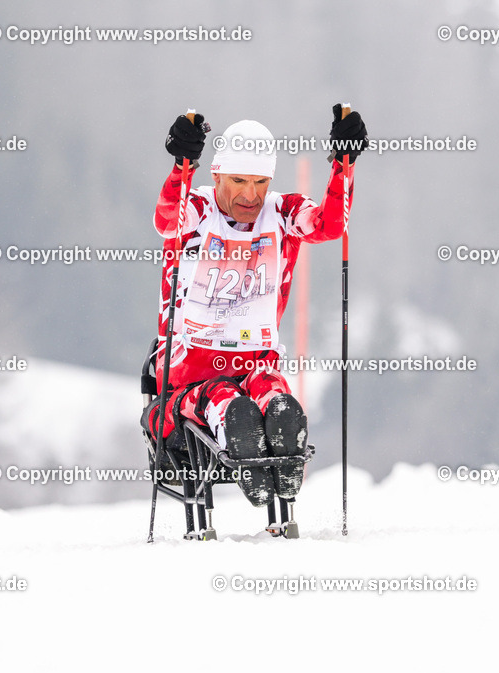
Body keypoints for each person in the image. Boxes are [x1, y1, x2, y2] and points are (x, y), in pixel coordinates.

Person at [148, 105, 368, 506]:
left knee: (270, 392)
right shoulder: (196, 210)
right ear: (216, 174)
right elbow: (167, 222)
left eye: (260, 182)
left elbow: (329, 225)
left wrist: (344, 163)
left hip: (256, 362)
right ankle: (237, 428)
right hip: (189, 370)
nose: (250, 195)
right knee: (221, 397)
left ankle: (279, 434)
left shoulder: (282, 212)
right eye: (238, 181)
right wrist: (182, 165)